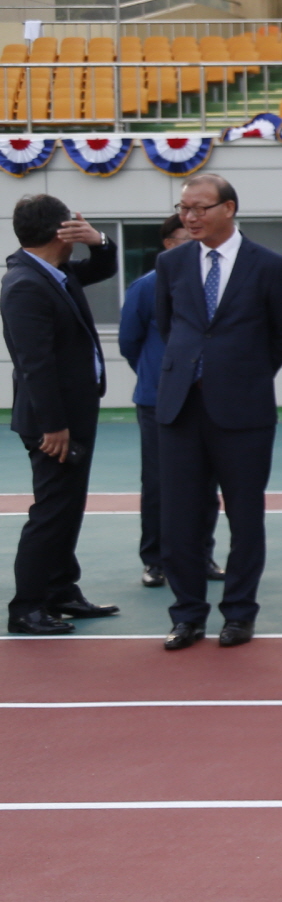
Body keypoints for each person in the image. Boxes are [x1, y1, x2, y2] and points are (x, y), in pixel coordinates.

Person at [153, 174, 282, 650]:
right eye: (184, 209)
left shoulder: (270, 266)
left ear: (229, 208)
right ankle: (187, 615)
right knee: (179, 521)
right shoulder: (170, 263)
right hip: (181, 409)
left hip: (243, 411)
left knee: (244, 517)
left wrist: (246, 374)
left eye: (199, 208)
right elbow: (165, 324)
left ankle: (238, 614)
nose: (189, 217)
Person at [2, 195, 119, 635]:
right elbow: (36, 363)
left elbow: (104, 267)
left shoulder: (54, 273)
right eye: (73, 224)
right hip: (54, 423)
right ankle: (27, 607)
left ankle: (61, 590)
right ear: (60, 233)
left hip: (72, 415)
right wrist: (54, 425)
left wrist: (101, 241)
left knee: (67, 507)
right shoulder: (26, 284)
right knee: (52, 511)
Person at [118, 216, 219, 590]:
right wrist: (159, 375)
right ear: (167, 243)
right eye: (186, 236)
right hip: (158, 400)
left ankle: (201, 554)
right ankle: (156, 560)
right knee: (160, 483)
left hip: (207, 397)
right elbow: (130, 342)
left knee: (206, 482)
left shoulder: (214, 284)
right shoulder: (146, 287)